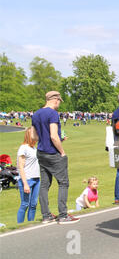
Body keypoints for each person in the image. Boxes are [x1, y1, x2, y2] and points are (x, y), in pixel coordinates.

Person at [31, 91, 79, 224]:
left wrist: (45, 140)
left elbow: (34, 137)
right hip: (53, 153)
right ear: (56, 100)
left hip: (41, 152)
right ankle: (63, 215)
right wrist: (62, 151)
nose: (59, 104)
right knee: (63, 183)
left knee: (44, 185)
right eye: (59, 101)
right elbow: (53, 135)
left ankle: (46, 215)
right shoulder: (52, 113)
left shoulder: (36, 114)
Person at [16, 127, 40, 223]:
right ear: (29, 135)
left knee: (33, 204)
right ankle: (20, 226)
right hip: (27, 180)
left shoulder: (34, 148)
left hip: (36, 179)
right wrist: (25, 183)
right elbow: (20, 167)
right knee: (25, 204)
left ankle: (31, 224)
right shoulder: (23, 148)